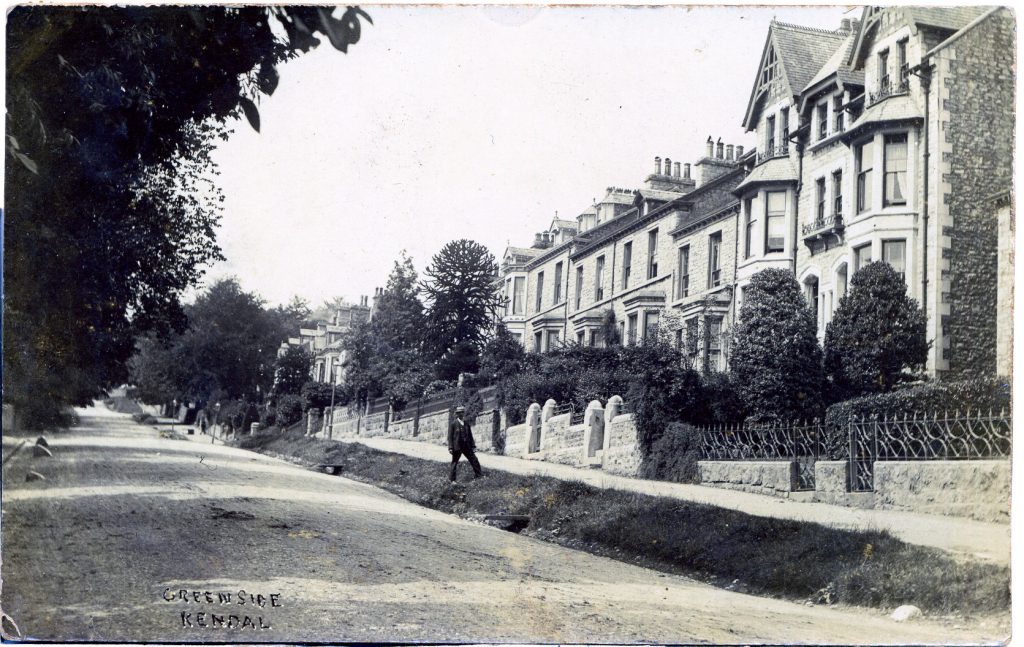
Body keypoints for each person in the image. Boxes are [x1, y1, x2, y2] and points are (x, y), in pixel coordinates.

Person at [447, 405, 483, 482]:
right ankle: (452, 480)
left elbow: (470, 435)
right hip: (457, 447)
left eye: (462, 412)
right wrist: (450, 447)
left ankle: (479, 476)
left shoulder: (466, 424)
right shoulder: (453, 424)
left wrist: (473, 446)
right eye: (459, 413)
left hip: (467, 446)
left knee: (474, 459)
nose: (461, 414)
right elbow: (450, 437)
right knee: (454, 462)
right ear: (457, 414)